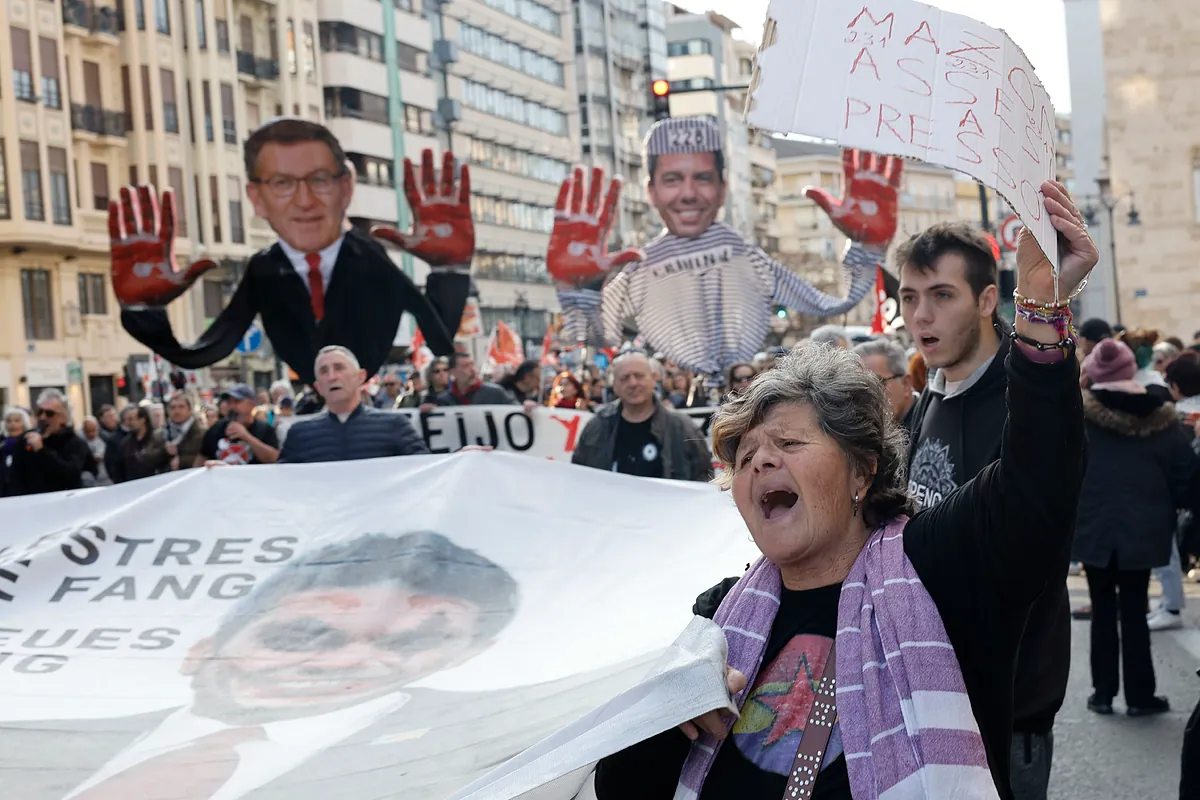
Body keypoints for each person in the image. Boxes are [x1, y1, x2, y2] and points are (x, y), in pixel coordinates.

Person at [593, 180, 1096, 800]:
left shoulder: (939, 567)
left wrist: (1040, 310)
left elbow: (1036, 482)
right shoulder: (717, 617)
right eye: (745, 456)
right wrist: (668, 716)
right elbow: (622, 787)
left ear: (862, 470)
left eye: (789, 443)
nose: (761, 461)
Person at [60, 532, 518, 799]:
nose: (347, 662)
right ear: (202, 648)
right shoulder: (52, 733)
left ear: (468, 654)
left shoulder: (490, 750)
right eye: (302, 635)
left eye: (410, 642)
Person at [900, 221, 1069, 799]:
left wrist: (1044, 312)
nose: (921, 315)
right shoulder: (932, 393)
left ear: (987, 299)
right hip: (928, 689)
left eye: (942, 295)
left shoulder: (1024, 400)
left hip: (1006, 705)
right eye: (909, 297)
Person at [113, 119, 473, 387]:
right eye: (282, 183)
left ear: (345, 188)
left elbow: (438, 336)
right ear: (257, 198)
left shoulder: (370, 258)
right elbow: (206, 350)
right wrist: (142, 311)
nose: (304, 201)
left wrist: (450, 271)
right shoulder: (264, 269)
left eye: (319, 179)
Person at [551, 128, 884, 386]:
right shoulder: (646, 265)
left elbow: (828, 304)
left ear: (723, 188)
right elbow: (595, 335)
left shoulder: (742, 254)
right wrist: (578, 291)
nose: (688, 194)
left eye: (703, 178)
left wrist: (866, 248)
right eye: (672, 180)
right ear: (652, 191)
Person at [1072, 338, 1196, 716]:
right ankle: (1141, 696)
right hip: (1144, 527)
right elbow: (1186, 477)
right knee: (1135, 609)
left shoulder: (1078, 417)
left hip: (1093, 525)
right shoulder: (1162, 419)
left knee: (1103, 610)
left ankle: (1102, 693)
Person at [572, 351, 711, 482]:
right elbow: (579, 477)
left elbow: (703, 479)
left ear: (653, 379)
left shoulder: (682, 429)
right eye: (624, 378)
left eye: (639, 376)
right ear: (614, 386)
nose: (633, 383)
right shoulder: (597, 428)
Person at [279, 346, 429, 463]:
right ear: (318, 387)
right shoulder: (300, 435)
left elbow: (425, 473)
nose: (332, 377)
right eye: (324, 371)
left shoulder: (395, 426)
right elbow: (284, 483)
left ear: (360, 377)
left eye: (339, 368)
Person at [10, 389, 92, 495]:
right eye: (40, 412)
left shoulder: (75, 443)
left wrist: (42, 451)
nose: (42, 417)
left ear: (63, 418)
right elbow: (14, 477)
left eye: (49, 413)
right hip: (30, 501)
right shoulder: (26, 439)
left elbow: (71, 474)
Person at [198, 384, 280, 466]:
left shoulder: (264, 429)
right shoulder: (217, 428)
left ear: (252, 404)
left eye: (237, 401)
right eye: (229, 402)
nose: (232, 406)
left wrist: (246, 436)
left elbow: (274, 459)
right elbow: (201, 459)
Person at [853, 339, 918, 430]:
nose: (867, 395)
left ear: (905, 384)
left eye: (876, 384)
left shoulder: (929, 426)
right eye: (858, 387)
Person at [432, 352, 522, 409]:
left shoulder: (495, 392)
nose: (473, 370)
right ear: (453, 372)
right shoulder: (444, 400)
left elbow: (517, 410)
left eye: (473, 364)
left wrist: (527, 407)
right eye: (466, 366)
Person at [115, 405, 172, 482]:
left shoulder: (158, 439)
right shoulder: (126, 443)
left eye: (131, 419)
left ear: (142, 419)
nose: (128, 423)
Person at [163, 394, 206, 471]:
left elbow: (205, 458)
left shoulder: (202, 433)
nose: (177, 411)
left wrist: (182, 461)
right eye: (173, 407)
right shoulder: (161, 433)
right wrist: (164, 450)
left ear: (189, 410)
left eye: (181, 407)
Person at [0, 407, 31, 497]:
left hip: (24, 494)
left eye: (16, 421)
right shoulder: (2, 446)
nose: (12, 424)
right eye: (9, 421)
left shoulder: (29, 444)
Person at [79, 416, 111, 487]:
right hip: (90, 479)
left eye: (93, 430)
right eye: (88, 431)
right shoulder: (80, 442)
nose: (91, 434)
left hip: (106, 477)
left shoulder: (105, 438)